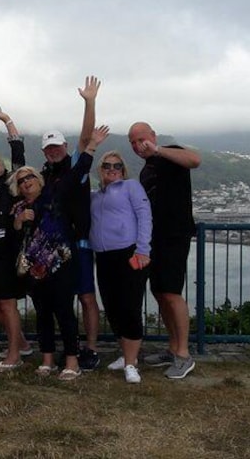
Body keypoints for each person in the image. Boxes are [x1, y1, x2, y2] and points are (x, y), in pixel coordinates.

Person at [10, 125, 107, 381]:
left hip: (60, 261)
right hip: (36, 266)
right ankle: (48, 359)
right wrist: (20, 220)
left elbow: (77, 173)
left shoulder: (57, 191)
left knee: (64, 310)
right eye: (22, 181)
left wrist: (92, 146)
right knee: (42, 312)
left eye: (30, 178)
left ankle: (73, 361)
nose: (27, 182)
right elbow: (16, 232)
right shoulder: (21, 206)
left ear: (39, 180)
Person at [128, 121, 201, 380]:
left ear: (153, 136)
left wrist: (158, 149)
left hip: (174, 235)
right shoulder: (146, 170)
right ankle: (173, 348)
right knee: (159, 293)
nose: (139, 146)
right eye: (133, 143)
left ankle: (183, 354)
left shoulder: (169, 152)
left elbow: (194, 159)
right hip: (153, 238)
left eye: (141, 140)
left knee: (172, 293)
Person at [40, 76, 102, 370]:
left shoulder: (76, 167)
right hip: (54, 245)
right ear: (44, 153)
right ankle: (68, 348)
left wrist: (89, 102)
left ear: (65, 146)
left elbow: (87, 137)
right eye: (48, 149)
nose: (53, 152)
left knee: (86, 296)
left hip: (78, 240)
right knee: (61, 300)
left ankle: (89, 348)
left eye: (57, 147)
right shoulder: (44, 176)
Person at [89, 151, 152, 383]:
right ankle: (125, 354)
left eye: (117, 165)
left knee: (130, 307)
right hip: (104, 257)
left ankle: (131, 362)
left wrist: (143, 249)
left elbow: (145, 215)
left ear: (124, 170)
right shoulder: (95, 196)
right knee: (112, 307)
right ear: (100, 169)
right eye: (107, 165)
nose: (112, 168)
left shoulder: (131, 187)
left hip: (129, 254)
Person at [0, 108, 31, 372]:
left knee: (8, 303)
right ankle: (21, 342)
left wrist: (7, 121)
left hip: (7, 249)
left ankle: (14, 354)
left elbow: (18, 154)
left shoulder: (10, 185)